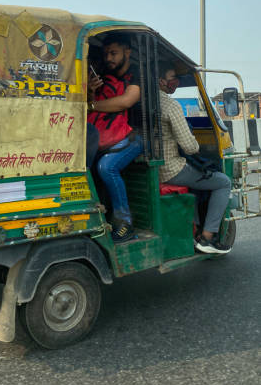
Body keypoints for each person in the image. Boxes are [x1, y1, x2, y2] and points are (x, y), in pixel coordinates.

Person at [158, 63, 232, 254]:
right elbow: (190, 147)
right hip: (170, 170)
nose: (176, 82)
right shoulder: (170, 105)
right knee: (222, 182)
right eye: (173, 77)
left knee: (198, 179)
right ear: (161, 81)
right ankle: (207, 238)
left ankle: (194, 229)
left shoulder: (140, 101)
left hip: (151, 169)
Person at [87, 34, 143, 243]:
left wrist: (91, 105)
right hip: (108, 135)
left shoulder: (137, 74)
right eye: (106, 54)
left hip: (135, 135)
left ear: (127, 52)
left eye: (114, 53)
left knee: (107, 167)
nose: (109, 58)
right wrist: (91, 92)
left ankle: (125, 224)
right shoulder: (103, 74)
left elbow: (126, 102)